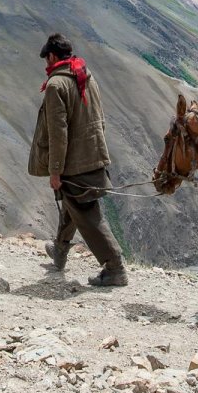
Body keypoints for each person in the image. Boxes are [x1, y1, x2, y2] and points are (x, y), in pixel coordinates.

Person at [29, 33, 127, 287]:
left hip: (74, 162)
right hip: (94, 152)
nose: (46, 64)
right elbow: (98, 115)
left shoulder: (55, 86)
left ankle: (115, 267)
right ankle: (60, 251)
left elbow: (58, 133)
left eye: (46, 59)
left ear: (52, 56)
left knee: (86, 212)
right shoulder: (85, 74)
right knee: (72, 203)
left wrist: (55, 171)